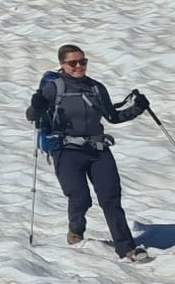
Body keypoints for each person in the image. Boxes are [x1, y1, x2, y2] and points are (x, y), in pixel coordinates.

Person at [27, 43, 152, 263]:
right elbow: (32, 116)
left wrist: (137, 108)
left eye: (82, 61)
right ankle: (76, 230)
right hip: (66, 150)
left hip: (98, 149)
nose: (79, 66)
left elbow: (113, 117)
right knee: (80, 197)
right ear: (62, 64)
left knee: (111, 198)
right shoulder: (54, 88)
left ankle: (127, 249)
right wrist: (36, 106)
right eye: (73, 63)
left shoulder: (96, 87)